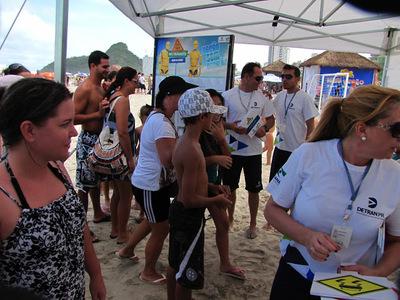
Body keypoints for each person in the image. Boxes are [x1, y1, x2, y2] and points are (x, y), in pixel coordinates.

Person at [265, 85, 400, 299]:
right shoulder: (309, 155)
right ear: (362, 129)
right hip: (299, 276)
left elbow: (397, 241)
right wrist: (307, 237)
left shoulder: (395, 175)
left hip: (354, 288)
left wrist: (377, 273)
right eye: (397, 130)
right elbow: (272, 210)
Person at [0, 78, 106, 299]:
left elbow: (78, 225)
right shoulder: (4, 195)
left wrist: (95, 273)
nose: (74, 132)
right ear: (29, 130)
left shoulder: (56, 166)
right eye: (64, 124)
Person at [116, 76, 196, 284]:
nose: (185, 98)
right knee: (161, 228)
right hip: (150, 185)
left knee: (152, 222)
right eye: (182, 94)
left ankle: (127, 250)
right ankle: (148, 271)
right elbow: (167, 160)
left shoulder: (158, 117)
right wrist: (187, 148)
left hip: (148, 183)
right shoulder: (162, 123)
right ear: (169, 96)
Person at [167, 88, 231, 300]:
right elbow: (189, 199)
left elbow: (189, 184)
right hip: (188, 217)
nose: (215, 118)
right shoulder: (193, 150)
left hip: (180, 213)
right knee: (187, 276)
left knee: (176, 265)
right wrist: (217, 199)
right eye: (211, 114)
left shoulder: (186, 141)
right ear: (202, 116)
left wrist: (212, 188)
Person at [222, 62, 275, 239]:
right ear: (245, 76)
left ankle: (252, 224)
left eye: (262, 78)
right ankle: (230, 219)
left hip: (253, 151)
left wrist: (265, 129)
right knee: (230, 188)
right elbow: (217, 121)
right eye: (258, 78)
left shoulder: (262, 97)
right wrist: (231, 126)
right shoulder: (227, 95)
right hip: (232, 149)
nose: (260, 81)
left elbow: (271, 119)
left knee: (254, 189)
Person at [200, 89, 245, 280]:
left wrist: (220, 140)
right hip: (199, 184)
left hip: (213, 183)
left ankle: (225, 263)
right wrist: (214, 158)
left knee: (223, 223)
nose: (216, 113)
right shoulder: (197, 128)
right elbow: (189, 160)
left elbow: (228, 159)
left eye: (219, 108)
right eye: (212, 107)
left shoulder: (217, 128)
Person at [73, 50, 111, 228]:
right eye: (104, 66)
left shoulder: (100, 87)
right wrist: (97, 114)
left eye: (107, 66)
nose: (107, 69)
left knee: (94, 181)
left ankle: (97, 212)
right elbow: (73, 118)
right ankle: (83, 228)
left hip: (99, 139)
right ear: (92, 66)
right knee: (84, 186)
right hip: (87, 139)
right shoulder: (85, 89)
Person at [103, 67, 138, 244]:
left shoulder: (113, 96)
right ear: (126, 81)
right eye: (135, 81)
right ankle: (123, 234)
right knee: (126, 194)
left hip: (112, 154)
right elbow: (123, 132)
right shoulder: (123, 100)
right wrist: (130, 158)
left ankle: (115, 229)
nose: (137, 85)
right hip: (120, 155)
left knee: (118, 192)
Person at [269, 64, 318, 181]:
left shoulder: (304, 98)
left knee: (291, 186)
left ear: (297, 79)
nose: (285, 79)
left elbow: (312, 125)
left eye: (289, 77)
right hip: (279, 147)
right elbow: (269, 116)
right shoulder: (280, 96)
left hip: (296, 150)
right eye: (283, 76)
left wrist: (306, 148)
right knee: (275, 183)